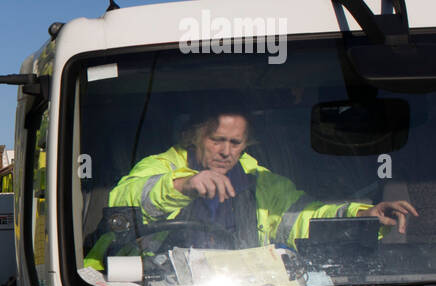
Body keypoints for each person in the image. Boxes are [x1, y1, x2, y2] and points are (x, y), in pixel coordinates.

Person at [84, 109, 417, 269]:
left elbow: (302, 216)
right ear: (196, 137)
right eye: (217, 141)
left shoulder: (259, 180)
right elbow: (123, 201)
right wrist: (183, 186)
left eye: (235, 143)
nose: (226, 151)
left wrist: (363, 215)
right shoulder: (161, 167)